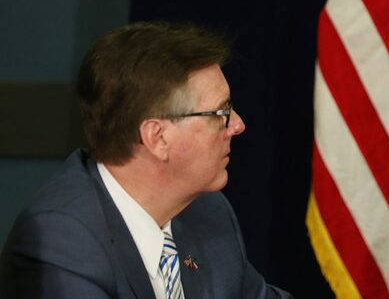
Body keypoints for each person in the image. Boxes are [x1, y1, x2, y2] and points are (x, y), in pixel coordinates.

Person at [0, 21, 292, 298]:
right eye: (221, 113)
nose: (238, 125)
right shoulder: (63, 243)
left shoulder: (207, 212)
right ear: (157, 137)